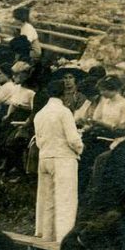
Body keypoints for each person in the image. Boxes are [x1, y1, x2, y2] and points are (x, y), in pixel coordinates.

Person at [34, 80, 84, 241]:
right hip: (63, 158)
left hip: (45, 157)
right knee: (66, 200)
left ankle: (47, 235)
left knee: (48, 200)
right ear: (64, 94)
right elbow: (73, 139)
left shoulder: (40, 113)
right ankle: (64, 238)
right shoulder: (64, 112)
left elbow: (38, 140)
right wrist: (81, 148)